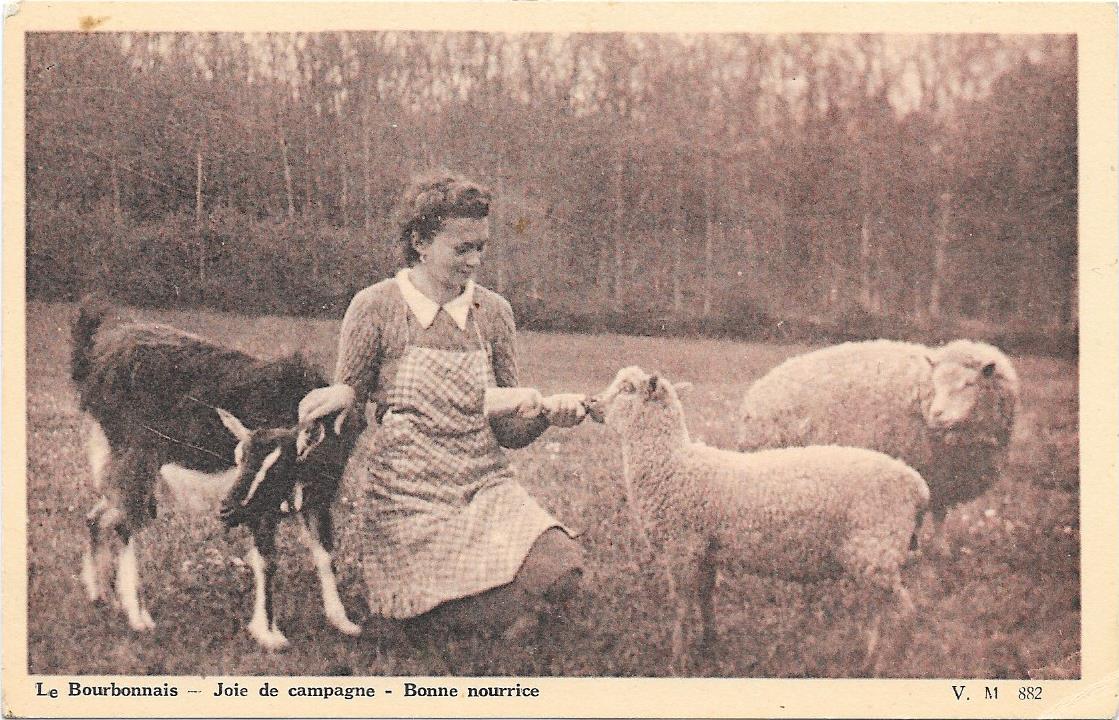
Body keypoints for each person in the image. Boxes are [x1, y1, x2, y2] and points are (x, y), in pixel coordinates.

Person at [299, 173, 587, 639]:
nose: (474, 261)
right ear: (420, 242)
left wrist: (546, 418)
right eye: (461, 248)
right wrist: (344, 396)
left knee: (563, 566)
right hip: (407, 497)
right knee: (445, 602)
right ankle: (455, 613)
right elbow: (349, 411)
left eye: (481, 248)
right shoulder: (375, 307)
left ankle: (472, 610)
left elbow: (508, 432)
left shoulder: (494, 314)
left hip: (483, 485)